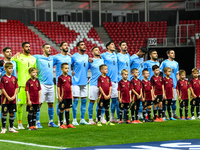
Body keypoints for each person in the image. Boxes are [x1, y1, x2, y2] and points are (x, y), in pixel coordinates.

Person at [11, 42, 37, 130]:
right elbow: (9, 65)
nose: (28, 48)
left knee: (31, 105)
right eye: (26, 46)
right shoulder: (18, 58)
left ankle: (30, 123)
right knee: (20, 105)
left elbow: (35, 71)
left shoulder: (33, 58)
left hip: (32, 86)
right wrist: (13, 56)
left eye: (29, 46)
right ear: (22, 48)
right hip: (21, 85)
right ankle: (19, 124)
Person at [33, 43, 58, 128]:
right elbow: (28, 57)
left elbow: (60, 55)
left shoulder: (52, 58)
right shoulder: (38, 57)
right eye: (47, 48)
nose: (49, 49)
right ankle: (37, 122)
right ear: (43, 49)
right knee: (39, 103)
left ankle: (51, 122)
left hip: (51, 84)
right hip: (41, 84)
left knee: (51, 104)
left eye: (50, 48)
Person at [53, 42, 72, 126]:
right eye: (64, 45)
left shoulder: (70, 57)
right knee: (60, 102)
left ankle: (67, 122)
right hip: (61, 84)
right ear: (60, 47)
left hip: (68, 82)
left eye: (67, 45)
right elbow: (50, 65)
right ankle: (60, 120)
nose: (66, 46)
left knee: (68, 105)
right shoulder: (56, 57)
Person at [72, 41, 89, 125]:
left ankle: (82, 119)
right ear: (78, 47)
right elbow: (68, 64)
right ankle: (74, 119)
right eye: (82, 45)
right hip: (75, 82)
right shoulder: (74, 56)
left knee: (84, 100)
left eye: (84, 45)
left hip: (84, 82)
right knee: (75, 101)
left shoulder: (87, 56)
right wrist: (71, 71)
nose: (84, 46)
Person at [101, 41, 119, 123]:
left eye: (114, 45)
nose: (113, 46)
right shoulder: (104, 55)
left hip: (115, 80)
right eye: (112, 45)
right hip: (107, 80)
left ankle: (112, 117)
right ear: (107, 46)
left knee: (114, 99)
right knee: (104, 100)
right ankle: (102, 117)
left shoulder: (115, 55)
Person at [0, 47, 17, 129]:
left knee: (12, 107)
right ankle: (3, 126)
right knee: (3, 108)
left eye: (10, 51)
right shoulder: (1, 63)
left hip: (12, 88)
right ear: (3, 53)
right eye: (7, 52)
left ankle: (11, 125)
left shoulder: (14, 62)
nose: (10, 53)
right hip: (2, 88)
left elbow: (14, 76)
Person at [88, 46, 105, 125]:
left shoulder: (102, 60)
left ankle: (101, 117)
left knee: (101, 101)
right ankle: (90, 119)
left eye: (98, 50)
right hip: (93, 84)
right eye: (95, 50)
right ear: (92, 52)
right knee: (92, 101)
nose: (98, 51)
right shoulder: (91, 61)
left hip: (102, 84)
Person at [160, 50, 179, 119]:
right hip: (166, 85)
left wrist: (178, 83)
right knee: (165, 101)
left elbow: (177, 74)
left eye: (174, 53)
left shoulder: (176, 63)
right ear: (168, 54)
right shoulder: (164, 62)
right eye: (172, 53)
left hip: (174, 84)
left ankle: (174, 114)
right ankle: (164, 114)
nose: (173, 54)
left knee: (173, 100)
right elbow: (160, 72)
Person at [130, 47, 148, 120]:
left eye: (144, 55)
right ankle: (131, 116)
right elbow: (128, 67)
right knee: (133, 99)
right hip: (133, 81)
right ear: (139, 51)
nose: (142, 56)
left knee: (141, 99)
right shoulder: (132, 58)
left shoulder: (141, 58)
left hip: (140, 81)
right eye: (142, 54)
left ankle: (140, 115)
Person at [57, 63, 76, 129]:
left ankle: (68, 123)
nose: (67, 69)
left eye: (68, 68)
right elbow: (58, 87)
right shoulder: (60, 78)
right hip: (63, 96)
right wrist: (59, 96)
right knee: (62, 109)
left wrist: (72, 95)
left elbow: (70, 86)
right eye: (65, 68)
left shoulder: (69, 77)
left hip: (69, 96)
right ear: (62, 69)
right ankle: (61, 124)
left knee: (67, 109)